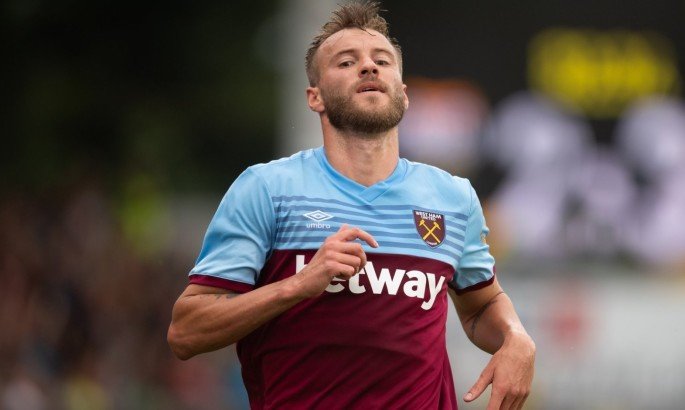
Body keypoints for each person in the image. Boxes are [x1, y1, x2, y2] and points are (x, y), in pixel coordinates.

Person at [167, 1, 535, 408]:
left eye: (382, 61)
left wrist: (516, 338)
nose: (369, 67)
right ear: (315, 97)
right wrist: (297, 285)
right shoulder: (267, 189)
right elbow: (186, 332)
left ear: (404, 95)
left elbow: (481, 306)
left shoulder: (452, 198)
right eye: (346, 62)